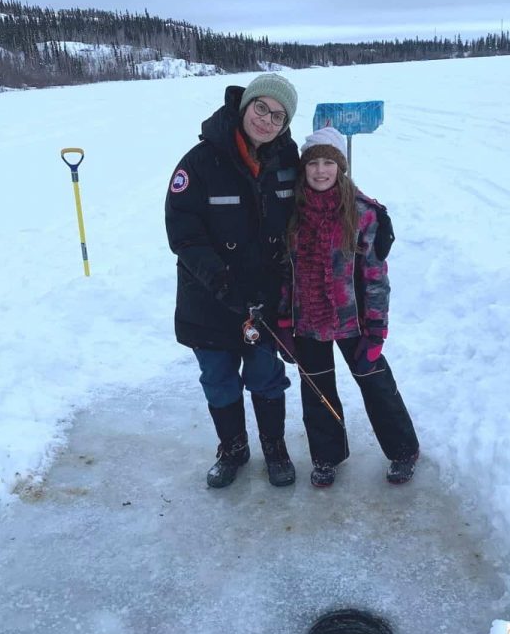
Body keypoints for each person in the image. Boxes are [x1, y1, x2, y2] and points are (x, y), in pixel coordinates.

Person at [165, 73, 300, 489]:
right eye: (261, 108)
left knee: (266, 376)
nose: (267, 120)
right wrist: (221, 281)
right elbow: (183, 234)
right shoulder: (199, 162)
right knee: (219, 378)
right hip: (209, 300)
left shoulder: (286, 161)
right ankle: (233, 447)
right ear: (245, 106)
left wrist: (367, 213)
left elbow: (321, 199)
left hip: (263, 301)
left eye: (278, 116)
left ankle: (274, 446)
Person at [277, 126, 420, 487]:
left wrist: (377, 330)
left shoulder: (363, 213)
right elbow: (283, 272)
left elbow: (375, 276)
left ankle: (403, 450)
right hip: (307, 320)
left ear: (340, 167)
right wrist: (282, 320)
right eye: (313, 163)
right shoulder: (290, 212)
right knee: (317, 391)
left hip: (354, 321)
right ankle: (327, 457)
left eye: (329, 162)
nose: (320, 171)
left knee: (376, 385)